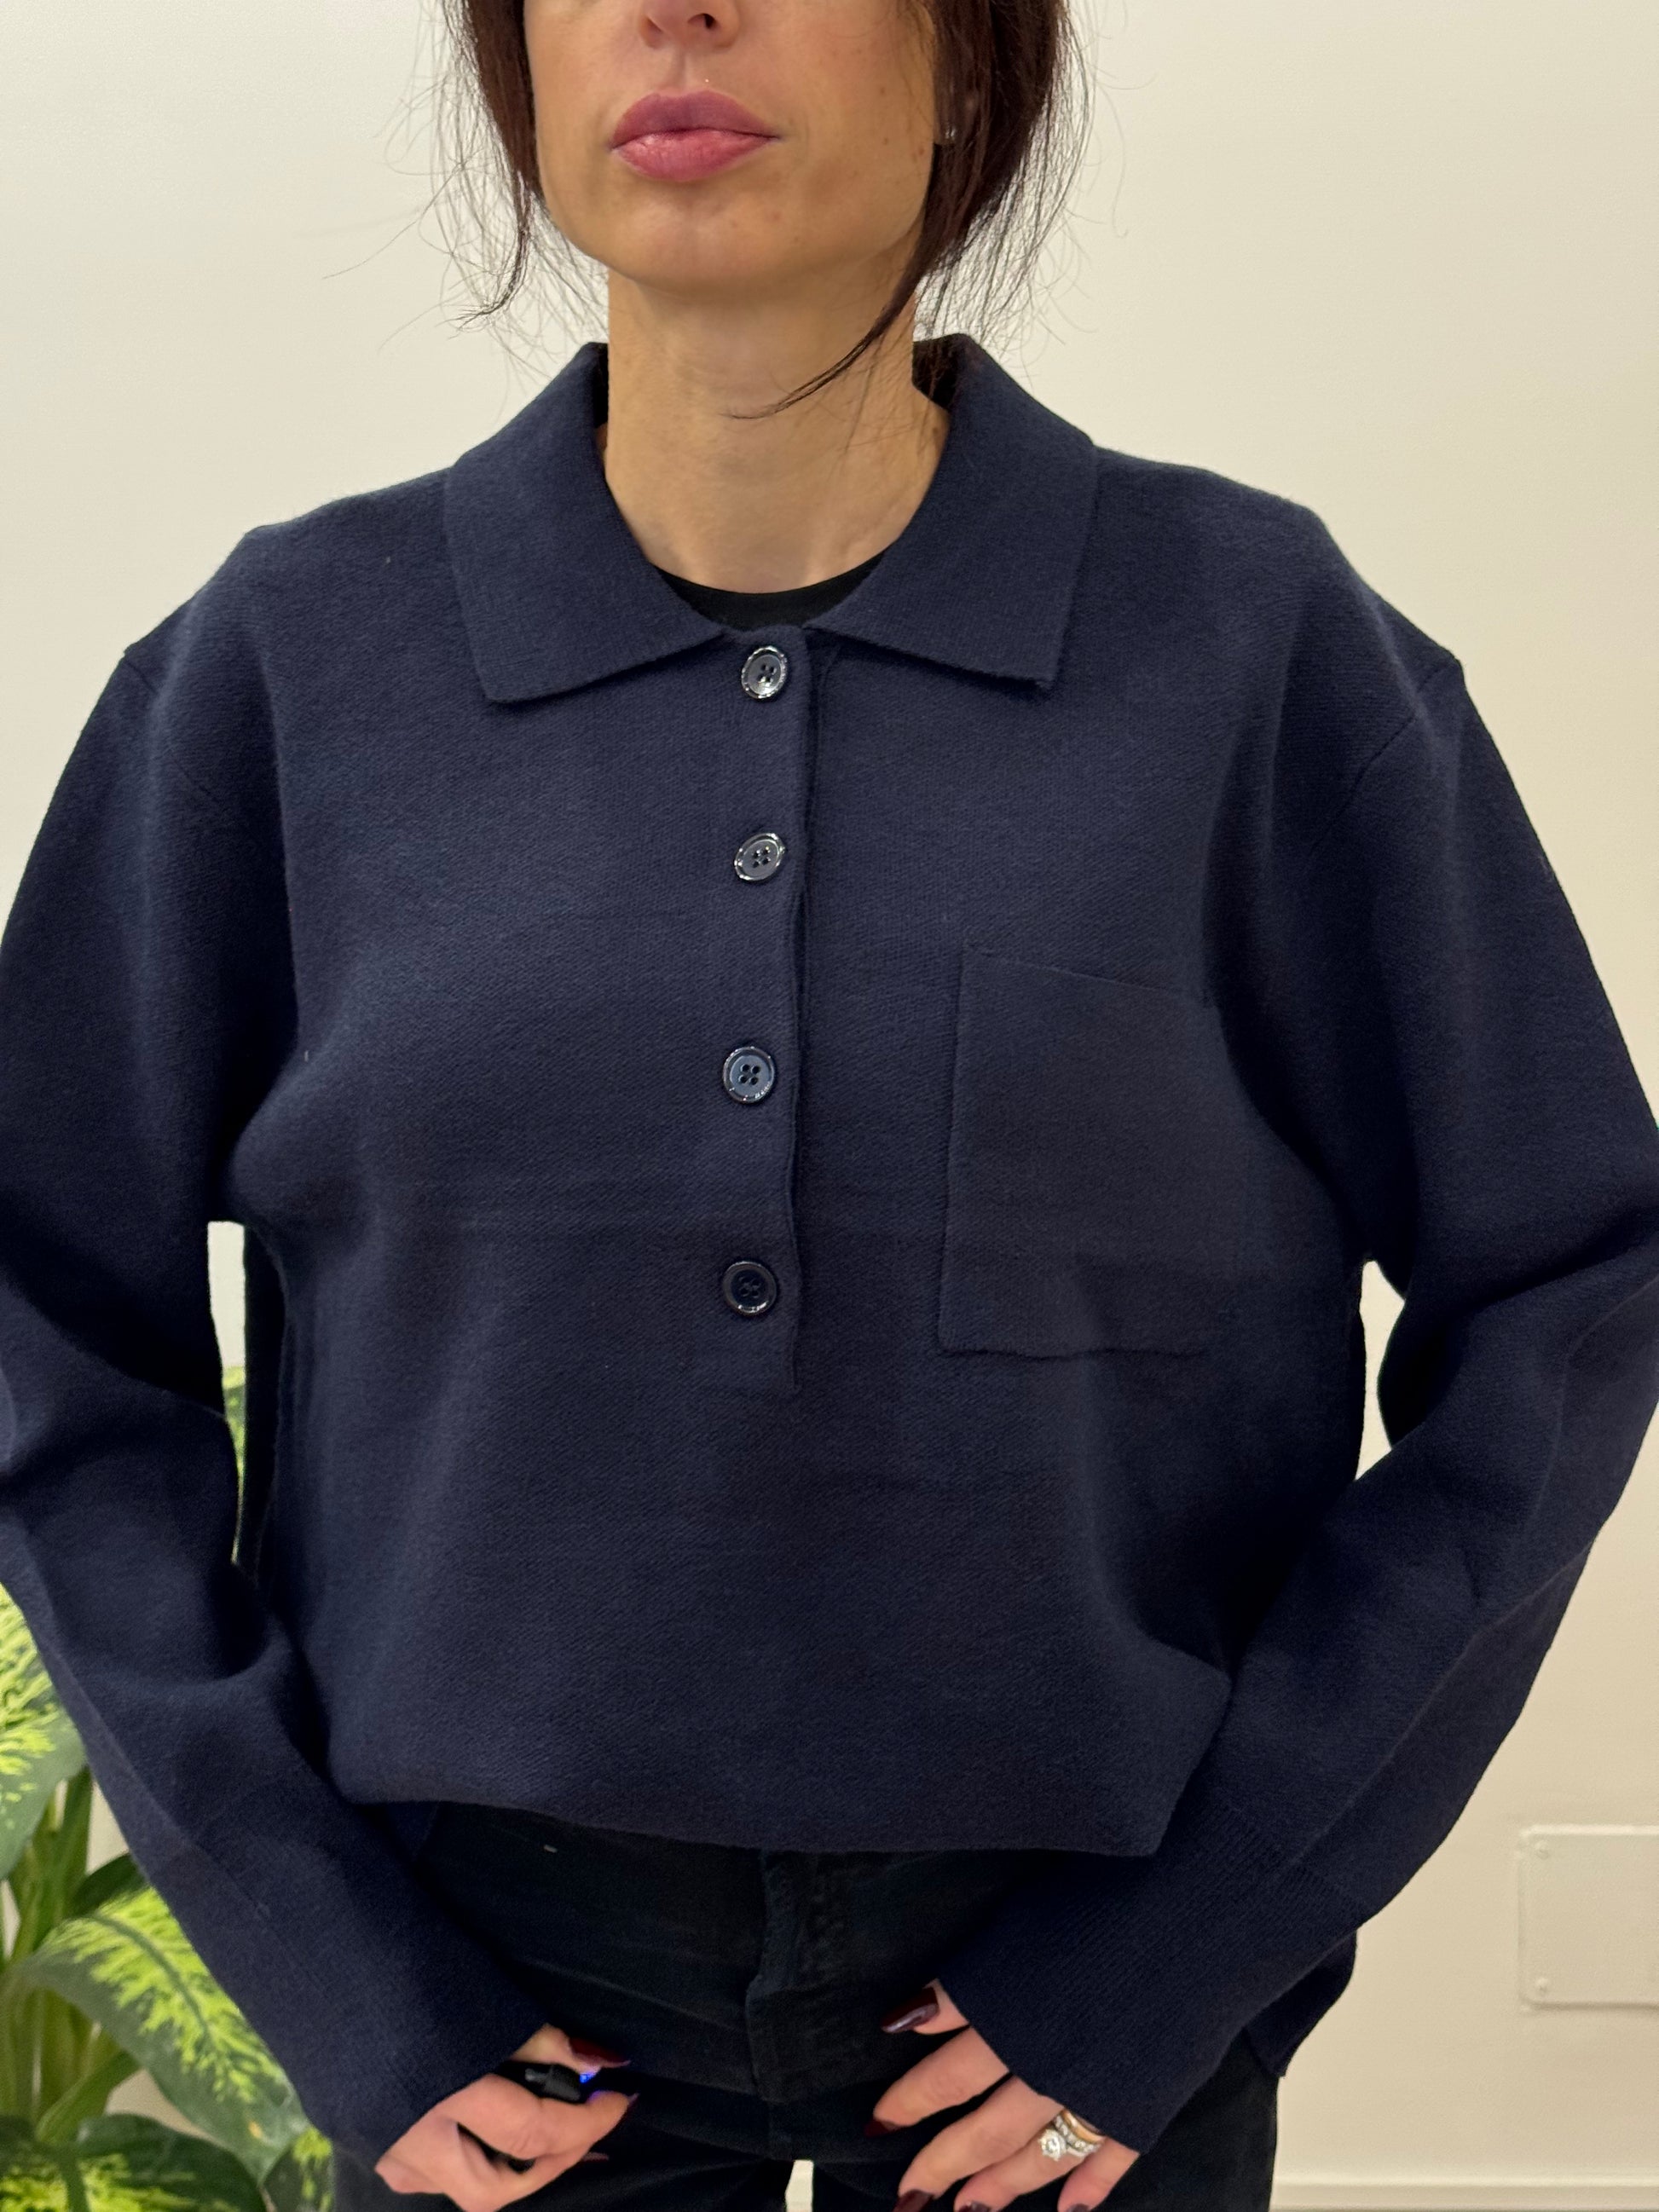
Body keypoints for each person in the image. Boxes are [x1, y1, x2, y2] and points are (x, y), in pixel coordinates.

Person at [1, 0, 1656, 2208]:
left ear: (969, 59)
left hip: (1074, 2006)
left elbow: (1566, 1291)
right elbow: (44, 1312)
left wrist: (1193, 1942)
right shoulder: (286, 667)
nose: (677, 8)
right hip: (485, 2015)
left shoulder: (1256, 654)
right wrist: (322, 1955)